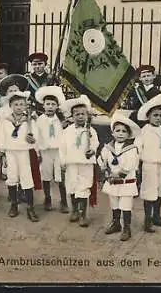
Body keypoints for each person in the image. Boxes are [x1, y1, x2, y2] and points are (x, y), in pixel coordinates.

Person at [135, 94, 161, 232]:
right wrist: (136, 164)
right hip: (150, 165)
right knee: (150, 191)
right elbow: (138, 147)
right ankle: (147, 219)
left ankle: (157, 216)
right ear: (148, 117)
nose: (158, 118)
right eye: (155, 115)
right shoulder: (145, 130)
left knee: (160, 189)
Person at [0, 90, 42, 222]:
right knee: (12, 177)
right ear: (11, 106)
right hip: (11, 152)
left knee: (26, 178)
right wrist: (3, 152)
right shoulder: (6, 121)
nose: (19, 107)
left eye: (21, 104)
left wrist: (32, 139)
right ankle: (14, 205)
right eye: (16, 104)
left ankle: (30, 207)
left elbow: (36, 136)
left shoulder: (29, 121)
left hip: (24, 152)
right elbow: (2, 137)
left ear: (25, 106)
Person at [97, 112, 141, 241]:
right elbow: (101, 159)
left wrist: (115, 174)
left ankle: (126, 228)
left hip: (126, 183)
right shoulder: (108, 147)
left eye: (123, 131)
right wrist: (105, 170)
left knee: (125, 205)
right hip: (112, 182)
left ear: (128, 134)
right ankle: (116, 223)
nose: (120, 133)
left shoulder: (132, 149)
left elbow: (129, 166)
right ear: (112, 133)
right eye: (117, 131)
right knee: (114, 204)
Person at [59, 95, 99, 227]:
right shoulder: (67, 131)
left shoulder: (90, 131)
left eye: (83, 114)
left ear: (87, 115)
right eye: (77, 114)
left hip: (85, 163)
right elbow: (62, 147)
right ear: (72, 116)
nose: (80, 116)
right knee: (72, 186)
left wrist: (92, 150)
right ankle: (74, 210)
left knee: (83, 187)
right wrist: (63, 162)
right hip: (71, 163)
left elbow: (95, 145)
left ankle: (83, 214)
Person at [35, 86, 68, 213]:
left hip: (58, 151)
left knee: (60, 177)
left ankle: (63, 201)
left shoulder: (60, 120)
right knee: (46, 175)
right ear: (43, 106)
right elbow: (37, 137)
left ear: (56, 106)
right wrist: (38, 152)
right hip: (45, 151)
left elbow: (64, 136)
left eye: (53, 104)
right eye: (47, 104)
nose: (50, 106)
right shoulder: (40, 120)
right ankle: (47, 198)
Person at [0, 74, 29, 198]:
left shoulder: (25, 108)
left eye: (16, 90)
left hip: (22, 144)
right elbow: (0, 129)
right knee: (11, 169)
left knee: (23, 168)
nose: (14, 93)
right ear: (6, 93)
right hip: (9, 144)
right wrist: (1, 147)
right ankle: (12, 192)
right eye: (11, 91)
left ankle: (22, 190)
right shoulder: (3, 110)